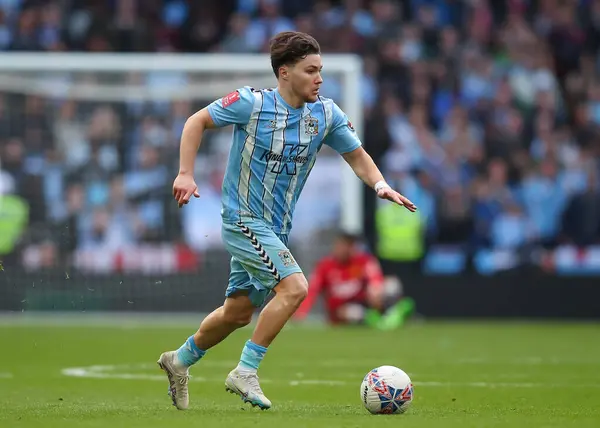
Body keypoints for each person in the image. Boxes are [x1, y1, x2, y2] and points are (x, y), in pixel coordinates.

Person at [158, 31, 417, 411]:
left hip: (276, 229)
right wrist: (185, 173)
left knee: (238, 313)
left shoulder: (325, 114)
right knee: (295, 288)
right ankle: (246, 370)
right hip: (243, 219)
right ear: (284, 73)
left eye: (321, 70)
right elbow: (195, 122)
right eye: (310, 70)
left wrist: (380, 185)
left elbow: (357, 155)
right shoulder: (251, 104)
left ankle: (178, 361)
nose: (319, 78)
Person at [294, 231, 415, 329]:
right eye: (337, 246)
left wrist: (375, 293)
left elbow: (375, 279)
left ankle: (388, 314)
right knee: (348, 312)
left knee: (392, 284)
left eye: (343, 246)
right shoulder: (325, 266)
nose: (339, 249)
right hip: (340, 311)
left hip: (364, 302)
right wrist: (300, 313)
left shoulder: (364, 261)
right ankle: (382, 320)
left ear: (351, 247)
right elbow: (312, 290)